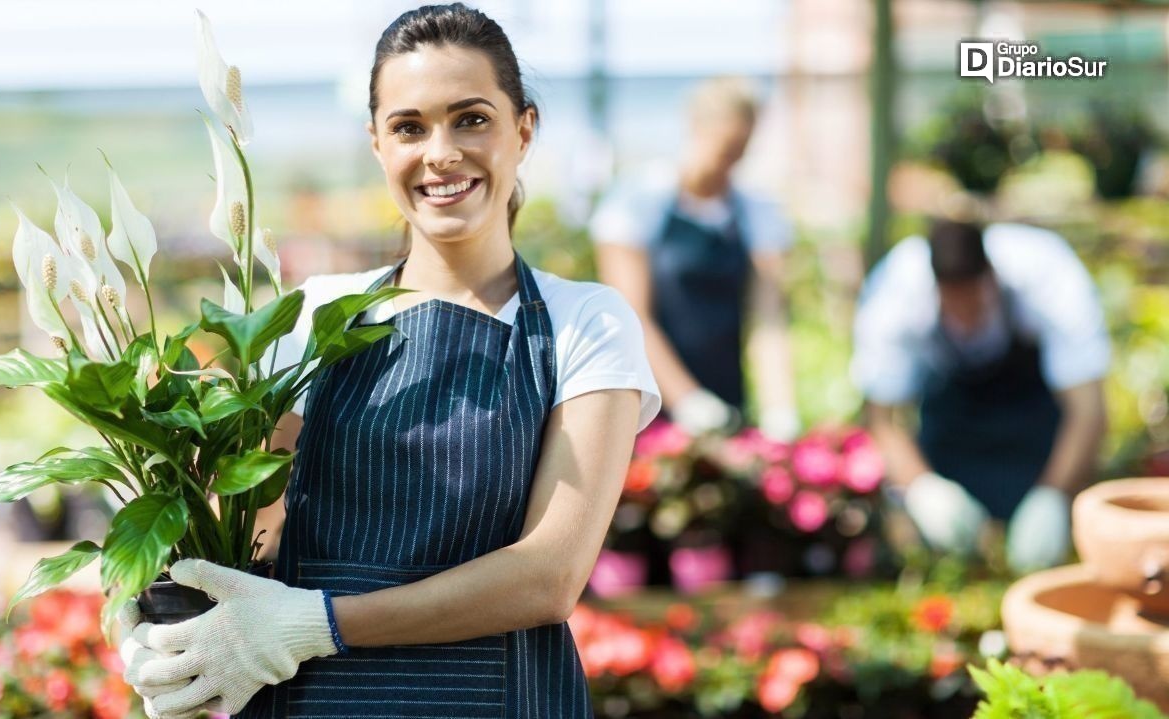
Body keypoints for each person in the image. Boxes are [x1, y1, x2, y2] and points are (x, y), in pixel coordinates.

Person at [119, 5, 660, 718]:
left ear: (523, 130)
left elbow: (547, 576)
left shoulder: (582, 322)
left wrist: (317, 623)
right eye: (410, 126)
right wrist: (154, 602)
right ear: (377, 142)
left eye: (471, 119)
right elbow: (253, 526)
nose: (440, 153)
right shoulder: (314, 314)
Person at [852, 218, 1109, 573]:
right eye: (952, 303)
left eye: (973, 301)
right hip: (951, 432)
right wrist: (922, 487)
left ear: (991, 277)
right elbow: (881, 419)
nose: (965, 316)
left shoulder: (1049, 275)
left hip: (1034, 431)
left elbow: (1088, 411)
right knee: (945, 558)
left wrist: (1054, 495)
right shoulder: (895, 292)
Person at [590, 77, 797, 439]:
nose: (728, 164)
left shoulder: (756, 212)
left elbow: (768, 317)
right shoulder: (637, 202)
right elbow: (630, 315)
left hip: (726, 397)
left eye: (740, 152)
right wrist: (687, 400)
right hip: (650, 406)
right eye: (725, 149)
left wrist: (779, 407)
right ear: (695, 127)